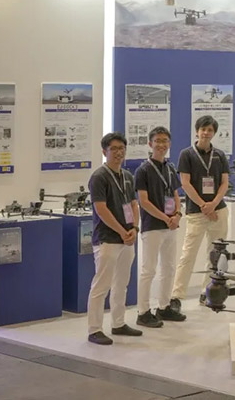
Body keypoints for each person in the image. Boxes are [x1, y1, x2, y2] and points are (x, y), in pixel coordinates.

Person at [86, 132, 143, 345]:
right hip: (107, 239)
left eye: (122, 148)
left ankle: (118, 323)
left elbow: (134, 204)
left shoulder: (127, 176)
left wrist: (134, 228)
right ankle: (94, 329)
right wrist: (121, 231)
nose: (119, 152)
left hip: (127, 239)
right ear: (104, 151)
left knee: (122, 284)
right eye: (114, 149)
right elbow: (101, 209)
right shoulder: (99, 177)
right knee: (101, 285)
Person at [170, 116, 230, 311]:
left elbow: (224, 183)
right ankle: (176, 296)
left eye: (210, 130)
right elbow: (185, 184)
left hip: (218, 211)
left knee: (214, 255)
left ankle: (208, 292)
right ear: (197, 131)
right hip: (197, 213)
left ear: (214, 133)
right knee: (188, 255)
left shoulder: (219, 155)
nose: (206, 133)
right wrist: (204, 205)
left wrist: (213, 204)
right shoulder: (186, 154)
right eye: (203, 129)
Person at [135, 126, 186, 327]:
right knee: (148, 270)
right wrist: (166, 218)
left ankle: (164, 307)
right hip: (153, 226)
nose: (161, 144)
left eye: (165, 141)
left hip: (170, 226)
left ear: (169, 144)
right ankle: (143, 312)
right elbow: (144, 201)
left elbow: (176, 194)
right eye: (157, 141)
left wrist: (178, 215)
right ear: (150, 144)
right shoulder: (143, 170)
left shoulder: (170, 168)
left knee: (169, 267)